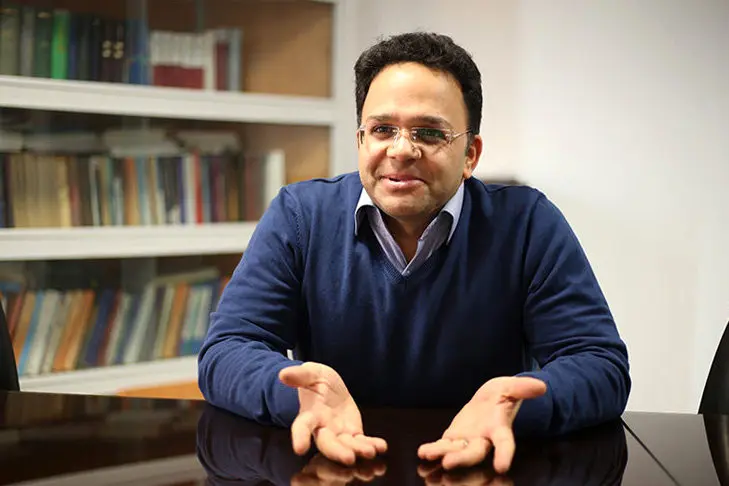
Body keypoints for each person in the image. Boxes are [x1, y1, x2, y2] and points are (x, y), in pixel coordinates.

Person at [198, 31, 631, 474]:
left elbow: (599, 364)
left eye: (429, 132)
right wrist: (296, 398)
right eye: (382, 129)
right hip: (336, 469)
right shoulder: (300, 216)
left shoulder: (527, 223)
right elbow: (227, 350)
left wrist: (519, 409)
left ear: (471, 154)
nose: (401, 150)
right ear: (361, 141)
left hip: (479, 472)